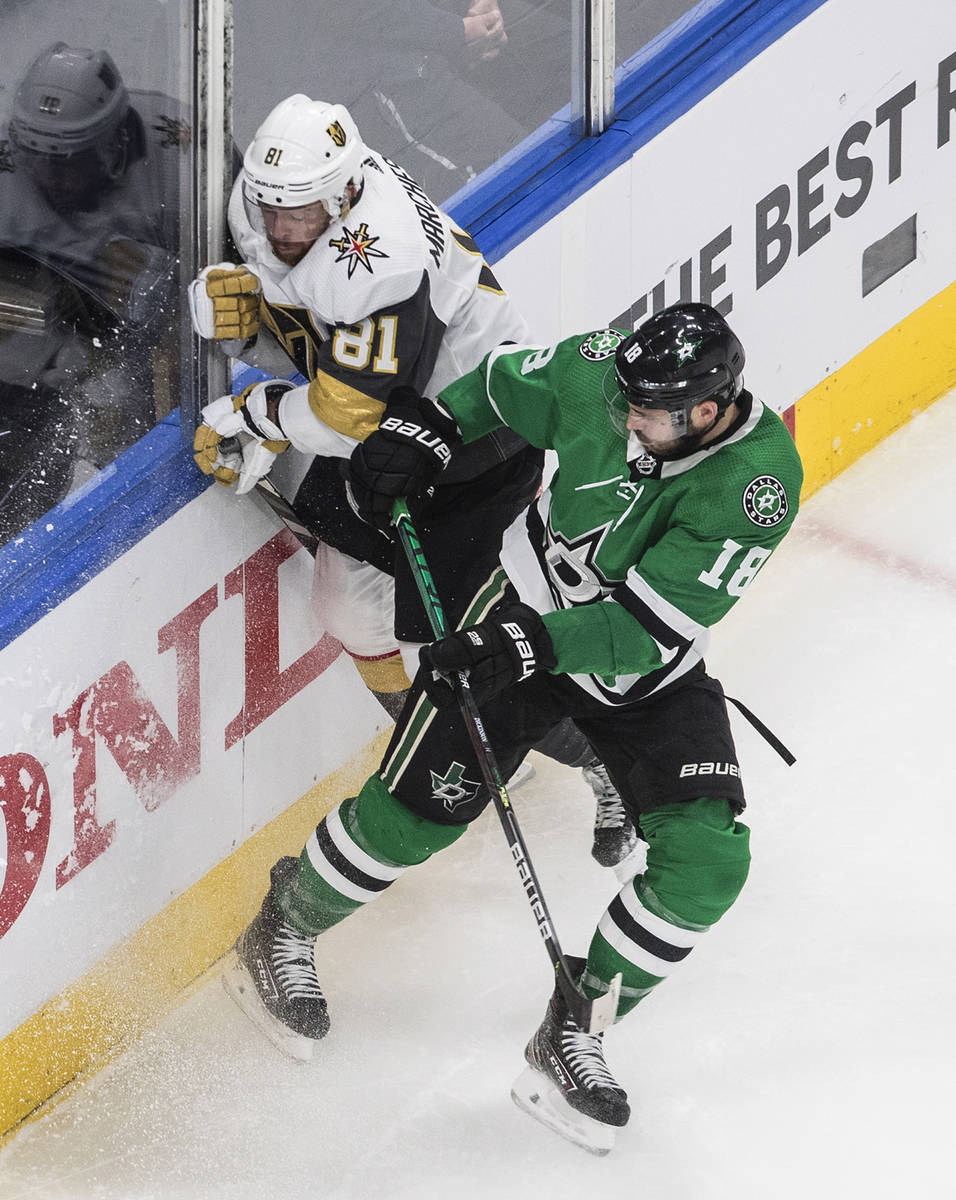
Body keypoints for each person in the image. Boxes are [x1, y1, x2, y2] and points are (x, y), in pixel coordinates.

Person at [219, 301, 804, 1152]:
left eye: (649, 414)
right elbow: (496, 387)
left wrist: (527, 645)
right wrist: (425, 436)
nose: (627, 420)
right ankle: (284, 924)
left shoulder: (756, 483)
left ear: (707, 411)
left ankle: (576, 1024)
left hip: (636, 669)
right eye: (626, 403)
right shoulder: (605, 372)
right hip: (520, 613)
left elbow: (643, 630)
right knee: (413, 814)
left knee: (709, 861)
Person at [190, 93, 637, 867]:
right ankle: (437, 739)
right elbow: (321, 337)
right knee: (348, 610)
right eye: (271, 211)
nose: (282, 230)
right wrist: (251, 318)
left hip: (476, 446)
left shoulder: (380, 259)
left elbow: (345, 413)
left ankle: (607, 760)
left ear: (345, 195)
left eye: (301, 215)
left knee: (471, 651)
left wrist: (258, 414)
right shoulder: (290, 205)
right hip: (397, 437)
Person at [0, 42, 187, 540]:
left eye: (67, 160)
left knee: (137, 437)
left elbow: (231, 285)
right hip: (39, 319)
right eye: (35, 156)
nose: (48, 174)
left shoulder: (185, 162)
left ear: (113, 140)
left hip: (141, 325)